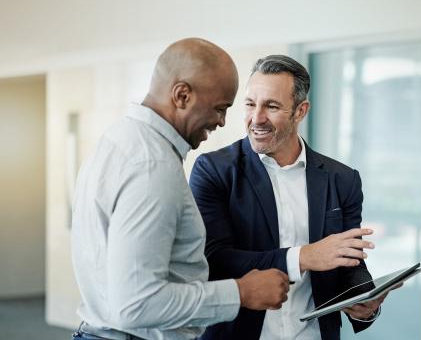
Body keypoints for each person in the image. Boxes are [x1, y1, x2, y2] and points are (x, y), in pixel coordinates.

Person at [71, 39, 290, 340]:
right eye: (220, 108)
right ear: (182, 95)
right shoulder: (152, 166)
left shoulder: (119, 139)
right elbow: (136, 305)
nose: (222, 121)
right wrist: (242, 292)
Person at [189, 55, 390, 340]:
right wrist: (303, 257)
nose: (256, 118)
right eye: (250, 104)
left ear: (300, 111)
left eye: (271, 106)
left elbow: (349, 262)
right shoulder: (213, 171)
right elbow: (213, 261)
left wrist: (365, 301)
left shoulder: (342, 179)